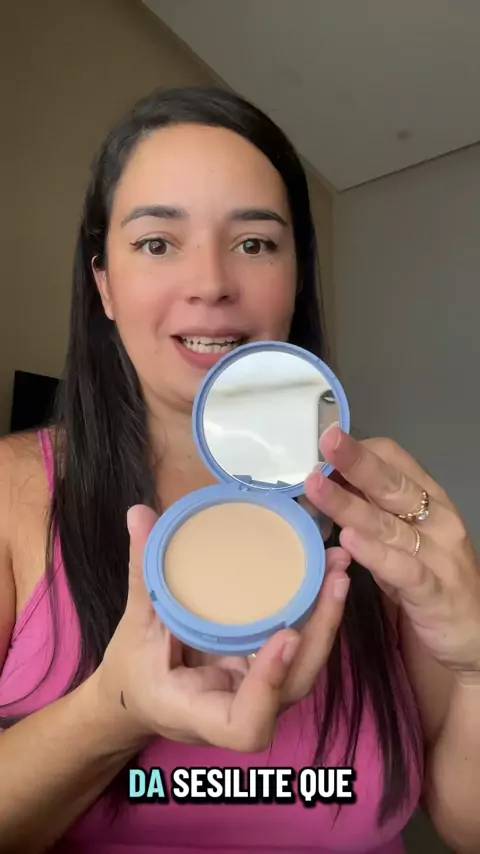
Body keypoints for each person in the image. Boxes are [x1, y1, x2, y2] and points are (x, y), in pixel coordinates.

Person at [0, 87, 479, 854]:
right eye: (157, 243)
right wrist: (114, 712)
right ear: (104, 285)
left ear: (297, 278)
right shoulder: (11, 494)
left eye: (255, 244)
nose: (212, 282)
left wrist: (476, 664)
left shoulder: (379, 517)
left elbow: (466, 824)